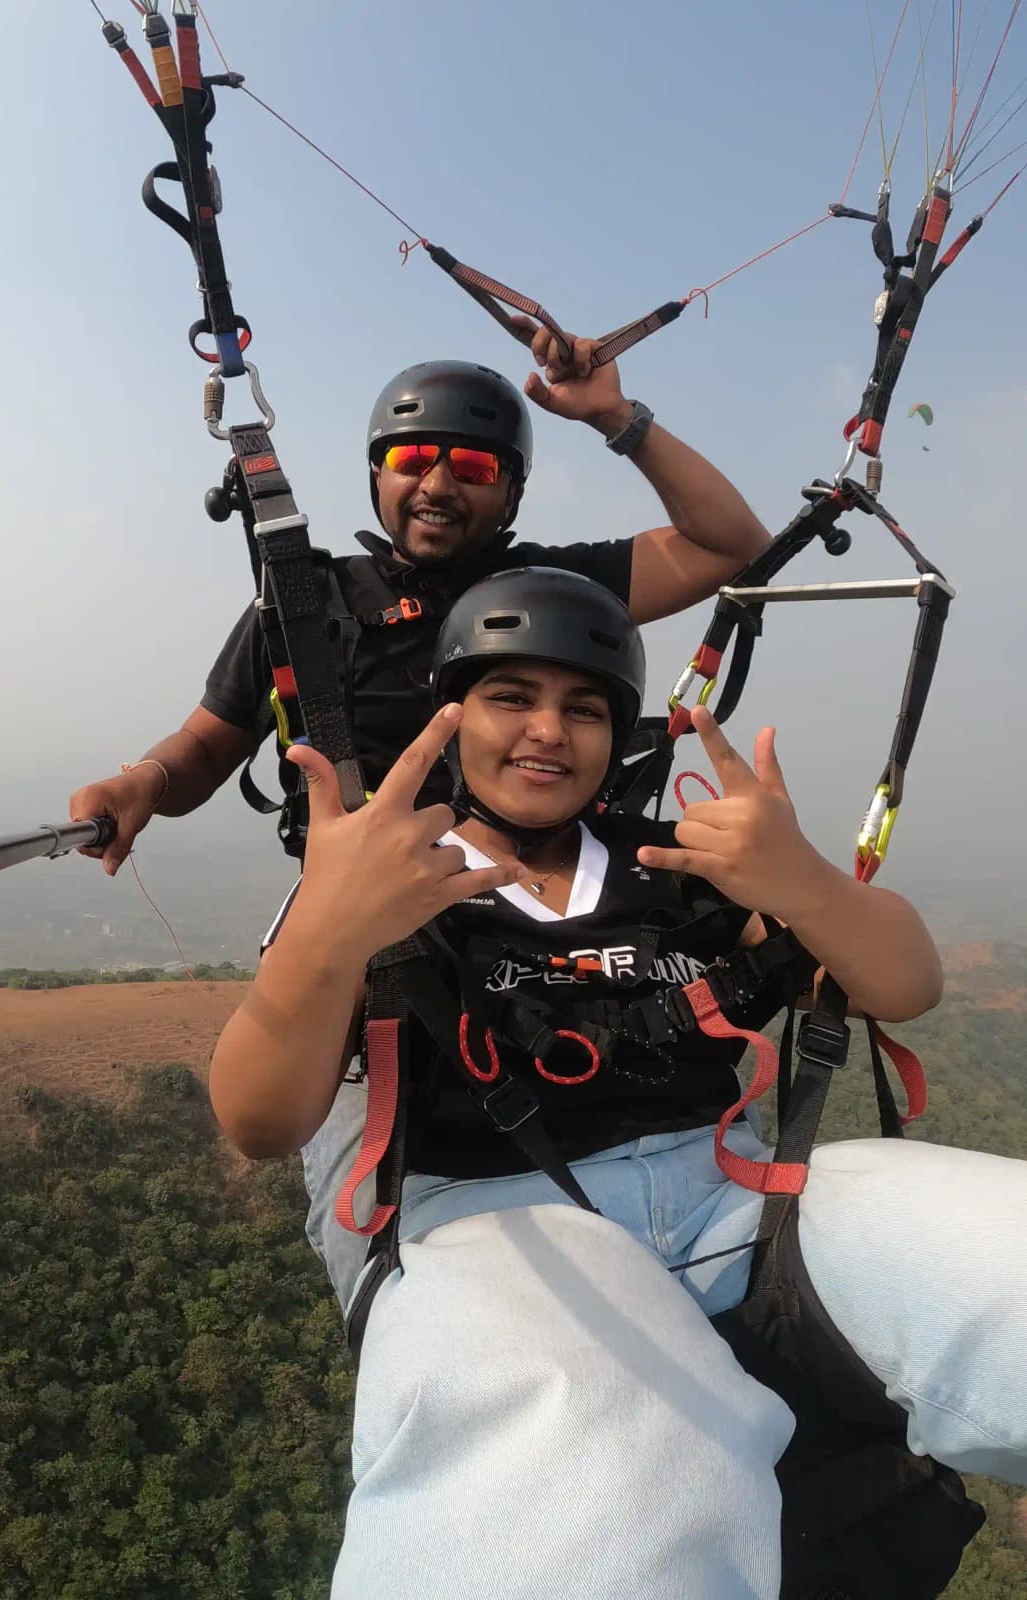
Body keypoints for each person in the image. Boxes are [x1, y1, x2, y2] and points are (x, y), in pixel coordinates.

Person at [209, 568, 1027, 1600]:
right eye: (512, 697)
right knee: (580, 1464)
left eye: (583, 708)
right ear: (453, 716)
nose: (548, 730)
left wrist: (803, 880)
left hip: (734, 1201)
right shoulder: (385, 873)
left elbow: (906, 985)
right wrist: (322, 938)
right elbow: (259, 1118)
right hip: (498, 1225)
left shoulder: (678, 865)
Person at [69, 328, 770, 874]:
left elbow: (729, 546)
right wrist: (146, 782)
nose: (436, 486)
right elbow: (203, 746)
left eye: (471, 466)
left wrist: (616, 416)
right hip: (361, 909)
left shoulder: (554, 594)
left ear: (511, 493)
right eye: (410, 460)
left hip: (532, 902)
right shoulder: (308, 602)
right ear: (378, 475)